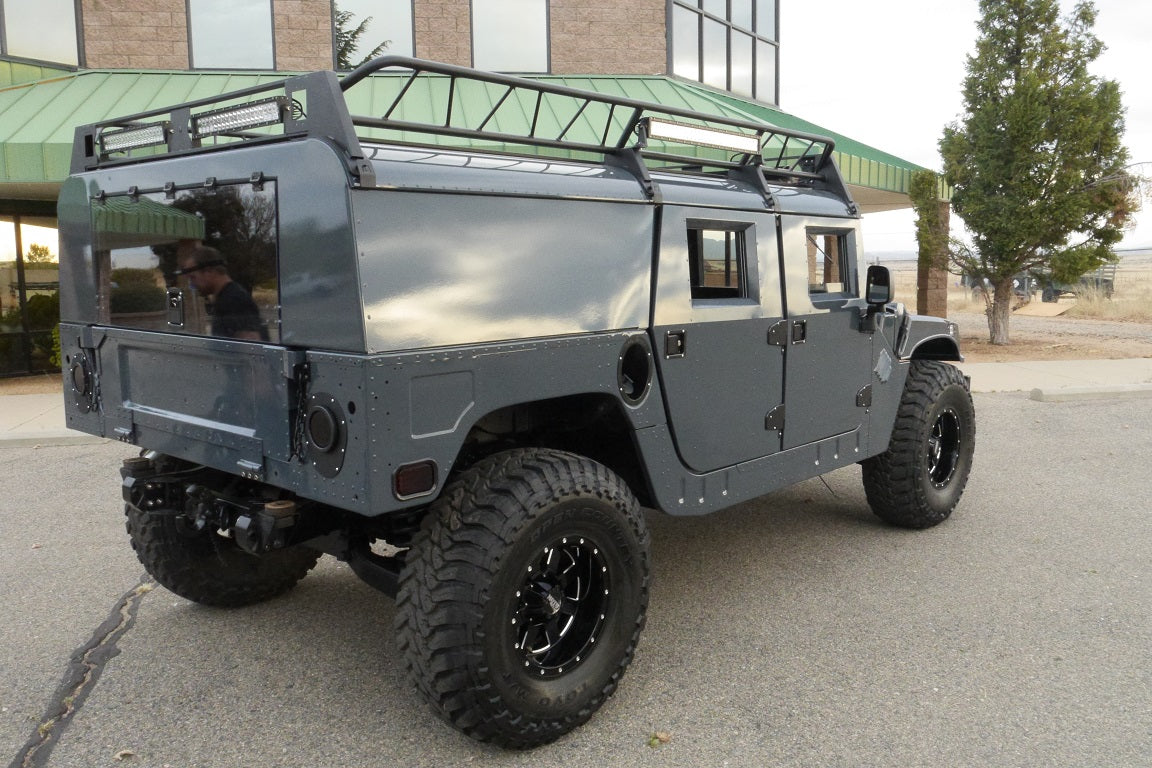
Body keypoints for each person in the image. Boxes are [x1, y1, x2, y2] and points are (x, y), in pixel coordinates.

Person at [176, 245, 265, 340]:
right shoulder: (224, 298)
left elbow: (251, 348)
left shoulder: (234, 300)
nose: (192, 285)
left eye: (193, 277)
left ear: (208, 271)